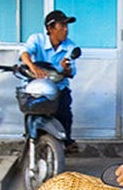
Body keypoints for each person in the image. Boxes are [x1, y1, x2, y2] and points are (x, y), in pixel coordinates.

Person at [20, 10, 79, 152]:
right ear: (50, 28)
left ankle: (67, 141)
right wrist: (32, 67)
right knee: (30, 110)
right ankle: (30, 137)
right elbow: (24, 53)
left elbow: (71, 71)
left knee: (65, 113)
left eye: (66, 26)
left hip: (58, 88)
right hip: (37, 87)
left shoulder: (70, 46)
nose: (66, 29)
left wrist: (66, 69)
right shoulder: (36, 39)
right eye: (62, 25)